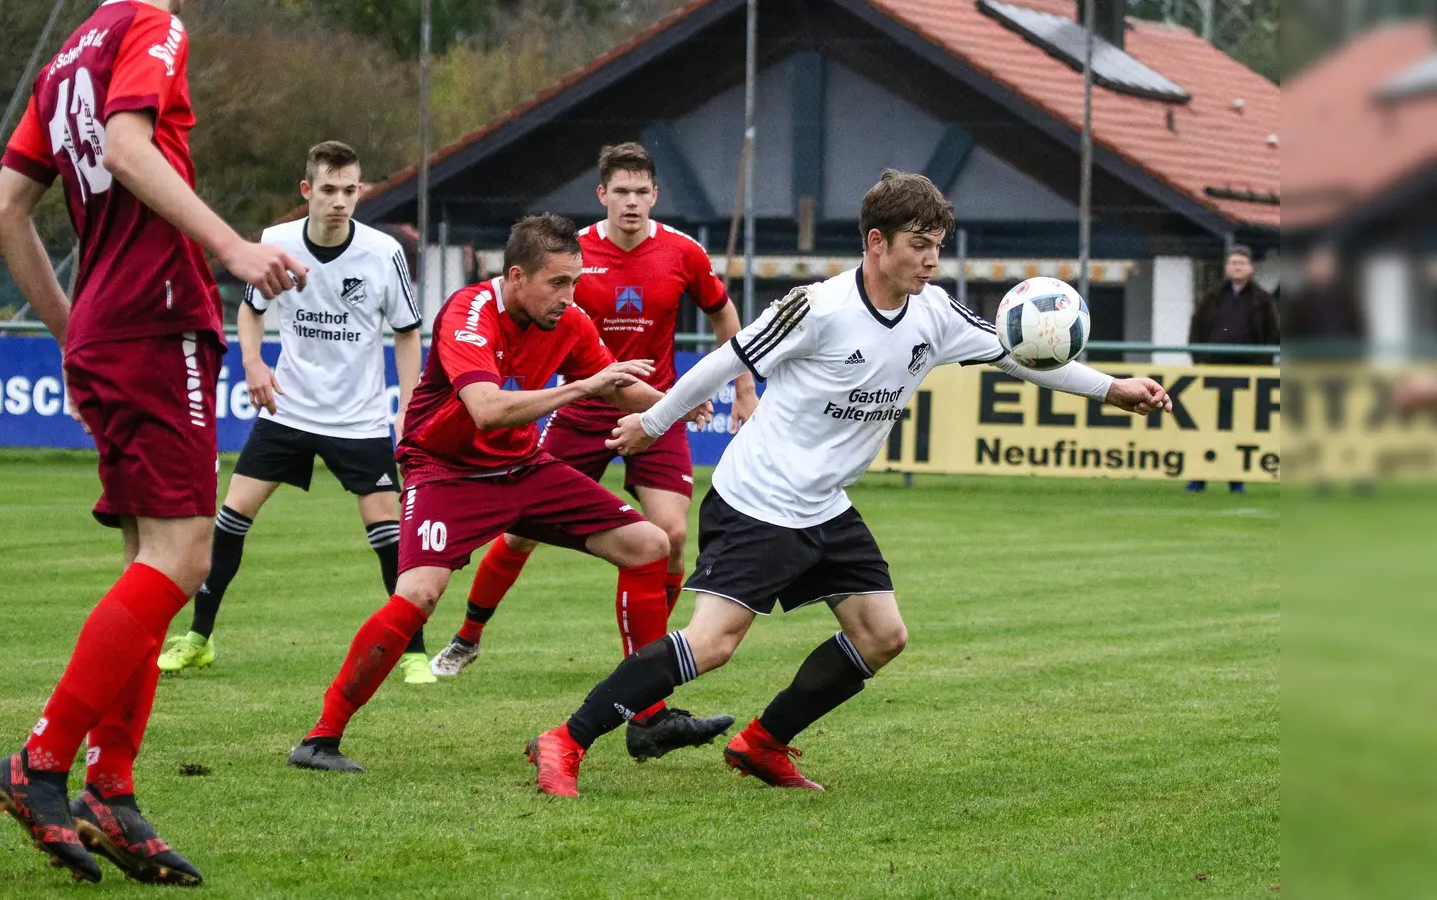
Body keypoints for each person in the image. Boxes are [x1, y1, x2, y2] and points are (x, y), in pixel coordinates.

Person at [524, 171, 1172, 797]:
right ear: (877, 243)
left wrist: (1112, 389)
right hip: (760, 499)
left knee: (881, 635)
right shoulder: (816, 309)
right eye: (919, 245)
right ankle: (567, 739)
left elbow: (1016, 352)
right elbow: (725, 361)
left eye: (936, 247)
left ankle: (763, 743)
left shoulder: (936, 315)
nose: (930, 261)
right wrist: (653, 419)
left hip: (823, 504)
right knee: (714, 644)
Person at [0, 0, 310, 885]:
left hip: (106, 320)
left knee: (153, 560)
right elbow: (128, 148)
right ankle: (42, 761)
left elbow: (6, 208)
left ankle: (112, 791)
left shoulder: (64, 61)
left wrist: (69, 329)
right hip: (156, 317)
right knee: (183, 556)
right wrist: (233, 248)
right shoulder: (150, 23)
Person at [285, 213, 725, 774]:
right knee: (418, 595)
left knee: (649, 543)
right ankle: (320, 738)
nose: (571, 296)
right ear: (517, 276)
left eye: (575, 281)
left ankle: (648, 717)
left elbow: (614, 386)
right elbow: (488, 411)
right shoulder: (469, 312)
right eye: (559, 283)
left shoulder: (570, 320)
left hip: (523, 466)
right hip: (446, 472)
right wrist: (581, 388)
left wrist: (671, 403)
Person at [429, 142, 750, 757]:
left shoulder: (683, 252)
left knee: (671, 536)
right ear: (602, 195)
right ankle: (469, 636)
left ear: (655, 195)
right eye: (620, 192)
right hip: (579, 411)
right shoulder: (568, 253)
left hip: (649, 409)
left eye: (641, 192)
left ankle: (651, 672)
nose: (631, 202)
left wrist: (732, 389)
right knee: (521, 533)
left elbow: (722, 311)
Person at [157, 141, 434, 685]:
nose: (339, 201)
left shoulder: (383, 253)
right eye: (328, 190)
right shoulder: (277, 243)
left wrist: (410, 408)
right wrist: (254, 362)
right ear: (307, 191)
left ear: (360, 192)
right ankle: (198, 639)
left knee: (389, 536)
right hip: (289, 412)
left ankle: (414, 652)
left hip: (358, 420)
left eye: (349, 190)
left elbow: (406, 333)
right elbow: (251, 310)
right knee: (230, 521)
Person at [1186, 245, 1279, 494]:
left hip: (1246, 376)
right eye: (1233, 263)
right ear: (1227, 267)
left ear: (1251, 267)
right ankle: (1199, 477)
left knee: (1239, 428)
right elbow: (1196, 330)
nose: (1237, 267)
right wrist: (1200, 361)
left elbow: (1272, 336)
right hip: (1213, 373)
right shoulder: (1212, 296)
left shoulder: (1262, 299)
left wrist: (1261, 369)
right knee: (1206, 426)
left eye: (1241, 263)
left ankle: (1236, 479)